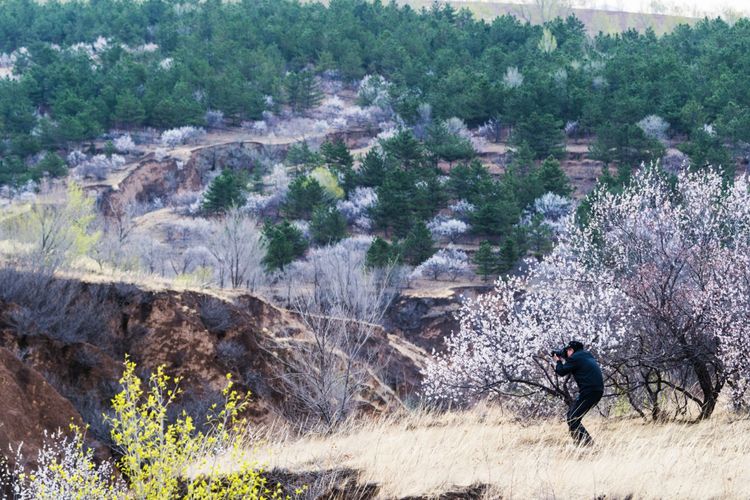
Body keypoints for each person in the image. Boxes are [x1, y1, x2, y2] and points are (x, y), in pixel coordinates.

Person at [553, 340, 604, 446]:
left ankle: (589, 446)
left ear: (571, 350)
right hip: (596, 391)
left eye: (567, 351)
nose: (566, 353)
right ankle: (581, 443)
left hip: (589, 392)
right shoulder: (587, 355)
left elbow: (561, 371)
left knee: (573, 418)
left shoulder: (575, 358)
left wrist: (558, 360)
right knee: (571, 415)